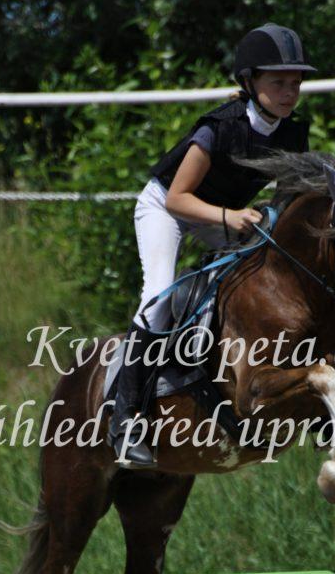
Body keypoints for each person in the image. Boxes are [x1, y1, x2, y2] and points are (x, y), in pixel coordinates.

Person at [109, 23, 317, 466]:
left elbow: (288, 201)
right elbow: (177, 198)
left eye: (296, 83)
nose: (289, 92)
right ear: (250, 81)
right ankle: (125, 418)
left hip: (223, 213)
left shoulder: (293, 135)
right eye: (278, 82)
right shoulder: (219, 128)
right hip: (167, 207)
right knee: (158, 295)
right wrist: (229, 217)